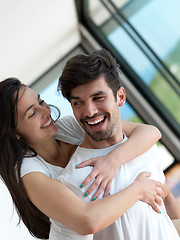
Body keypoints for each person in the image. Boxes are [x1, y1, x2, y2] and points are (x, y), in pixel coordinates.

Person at [0, 78, 163, 240]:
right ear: (15, 132)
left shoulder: (68, 126)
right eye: (33, 113)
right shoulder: (28, 172)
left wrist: (112, 160)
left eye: (41, 102)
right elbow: (86, 221)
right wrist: (138, 190)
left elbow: (149, 132)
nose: (46, 111)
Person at [56, 48, 180, 240]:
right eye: (78, 103)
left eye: (98, 98)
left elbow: (166, 198)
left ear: (120, 97)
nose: (89, 111)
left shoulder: (142, 146)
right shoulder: (73, 180)